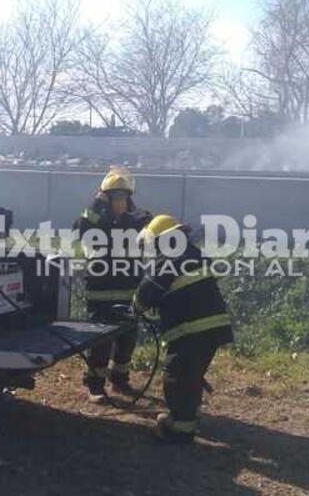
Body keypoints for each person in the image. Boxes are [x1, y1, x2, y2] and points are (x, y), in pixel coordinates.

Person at [133, 215, 233, 444]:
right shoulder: (193, 253)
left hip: (190, 331)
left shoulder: (168, 258)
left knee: (176, 376)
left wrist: (136, 306)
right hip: (214, 328)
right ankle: (191, 411)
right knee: (191, 374)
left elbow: (148, 290)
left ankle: (180, 429)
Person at [74, 167, 152, 403]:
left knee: (127, 339)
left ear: (129, 197)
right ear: (105, 197)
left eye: (123, 196)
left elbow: (150, 227)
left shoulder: (137, 219)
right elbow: (81, 227)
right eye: (114, 196)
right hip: (101, 292)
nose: (119, 201)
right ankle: (95, 384)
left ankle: (120, 379)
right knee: (100, 341)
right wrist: (98, 204)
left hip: (130, 291)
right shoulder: (96, 220)